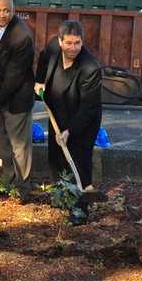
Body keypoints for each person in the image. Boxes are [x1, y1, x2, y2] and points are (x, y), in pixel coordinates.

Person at [35, 20, 102, 222]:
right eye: (69, 43)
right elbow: (43, 59)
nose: (73, 48)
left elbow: (87, 107)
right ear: (60, 41)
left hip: (83, 119)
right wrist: (39, 82)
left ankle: (80, 209)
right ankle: (63, 195)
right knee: (56, 157)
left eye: (77, 43)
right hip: (57, 112)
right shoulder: (53, 48)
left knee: (79, 160)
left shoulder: (90, 67)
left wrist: (70, 131)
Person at [0, 0, 34, 196]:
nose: (3, 14)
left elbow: (14, 77)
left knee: (19, 146)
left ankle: (23, 188)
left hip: (16, 97)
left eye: (7, 10)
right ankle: (6, 180)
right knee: (1, 142)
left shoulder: (22, 36)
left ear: (13, 10)